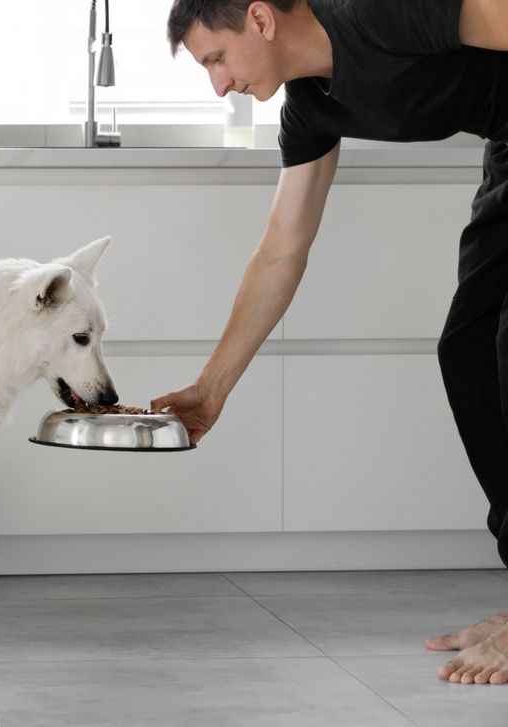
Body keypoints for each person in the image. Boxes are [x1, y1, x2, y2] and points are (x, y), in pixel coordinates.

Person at [152, 0, 508, 684]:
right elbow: (282, 250)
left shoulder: (377, 11)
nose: (218, 85)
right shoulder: (310, 108)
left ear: (259, 18)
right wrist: (211, 388)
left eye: (216, 59)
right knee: (469, 353)